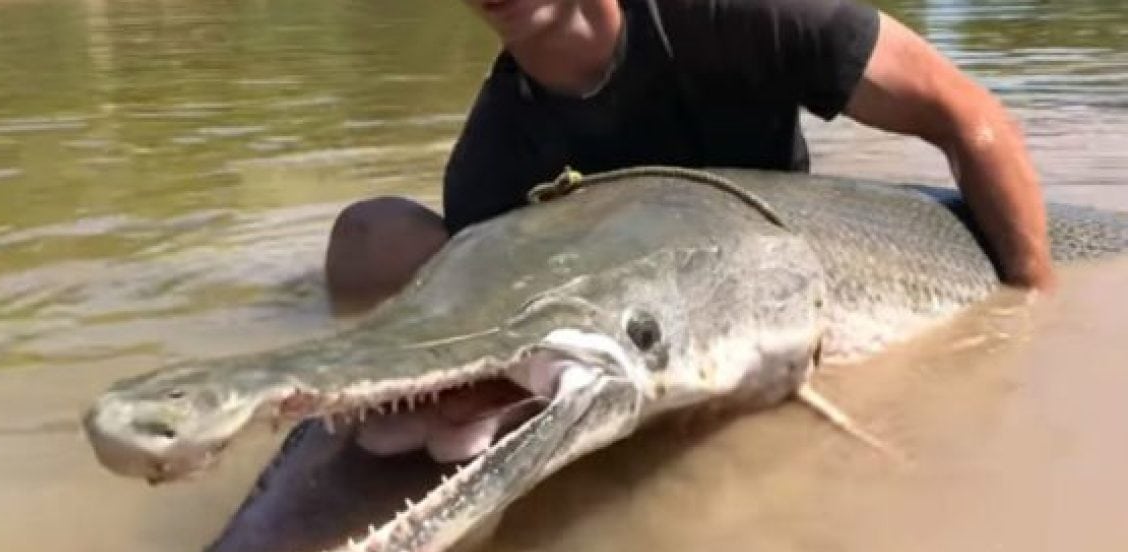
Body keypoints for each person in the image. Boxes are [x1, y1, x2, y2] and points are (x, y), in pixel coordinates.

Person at [323, 0, 1056, 314]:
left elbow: (971, 117)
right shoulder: (492, 167)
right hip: (661, 323)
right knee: (373, 233)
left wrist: (1032, 312)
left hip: (799, 272)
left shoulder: (740, 15)